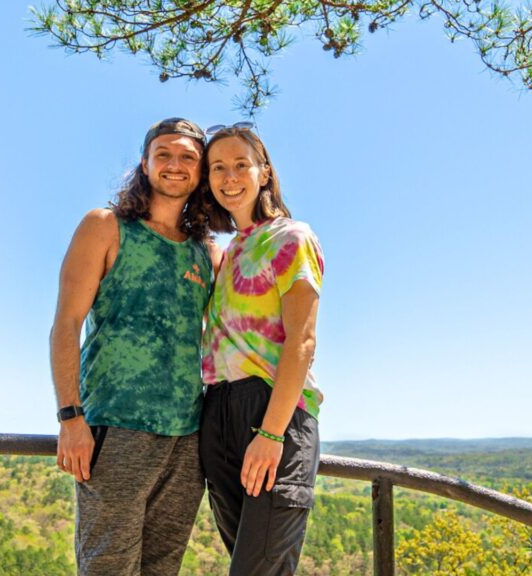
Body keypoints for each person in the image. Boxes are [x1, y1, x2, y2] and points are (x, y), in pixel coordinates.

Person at [49, 118, 218, 575]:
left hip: (186, 440)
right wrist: (70, 418)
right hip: (116, 428)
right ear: (144, 163)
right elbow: (66, 324)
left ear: (201, 173)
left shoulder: (207, 253)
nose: (175, 165)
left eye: (188, 157)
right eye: (163, 153)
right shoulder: (105, 227)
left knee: (162, 569)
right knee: (108, 566)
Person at [199, 123, 325, 575]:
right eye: (218, 167)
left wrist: (271, 434)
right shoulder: (227, 252)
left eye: (240, 165)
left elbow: (303, 342)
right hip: (219, 416)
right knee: (248, 564)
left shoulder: (291, 237)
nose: (229, 177)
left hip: (275, 411)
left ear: (264, 173)